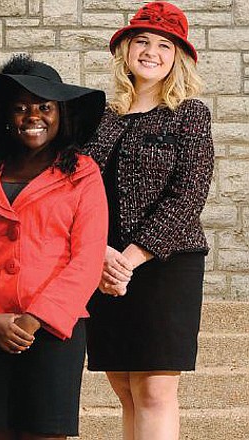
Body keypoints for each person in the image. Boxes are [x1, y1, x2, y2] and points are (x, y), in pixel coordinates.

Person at [0, 54, 108, 440]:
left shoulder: (83, 173)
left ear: (61, 114)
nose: (32, 116)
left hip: (53, 332)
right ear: (7, 116)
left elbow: (87, 259)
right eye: (21, 108)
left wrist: (34, 319)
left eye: (44, 107)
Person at [83, 3, 214, 440]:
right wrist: (100, 253)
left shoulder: (190, 114)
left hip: (165, 264)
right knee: (124, 389)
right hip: (101, 266)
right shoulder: (99, 116)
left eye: (164, 45)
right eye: (142, 41)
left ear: (177, 57)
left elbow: (189, 194)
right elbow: (76, 190)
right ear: (126, 49)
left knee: (155, 390)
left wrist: (130, 258)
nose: (151, 51)